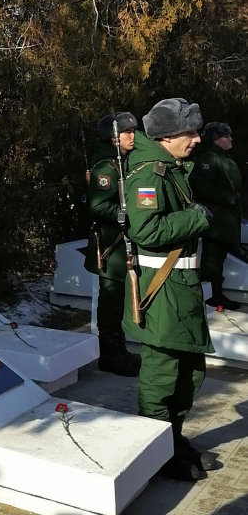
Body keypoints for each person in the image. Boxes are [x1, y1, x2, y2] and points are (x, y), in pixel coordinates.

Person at [122, 98, 219, 482]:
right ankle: (158, 453)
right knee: (162, 377)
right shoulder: (149, 174)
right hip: (162, 293)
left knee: (190, 374)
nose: (197, 139)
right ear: (165, 136)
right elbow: (145, 231)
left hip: (181, 289)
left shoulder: (171, 168)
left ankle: (172, 440)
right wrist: (194, 218)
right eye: (189, 132)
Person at [84, 111, 141, 376]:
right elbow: (98, 207)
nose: (133, 136)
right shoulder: (105, 168)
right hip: (109, 246)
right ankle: (109, 355)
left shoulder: (122, 163)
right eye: (127, 132)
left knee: (118, 302)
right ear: (113, 138)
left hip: (120, 246)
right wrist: (128, 216)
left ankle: (119, 349)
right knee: (110, 302)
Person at [191, 122, 243, 310]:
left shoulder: (224, 157)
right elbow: (203, 188)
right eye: (225, 136)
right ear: (215, 140)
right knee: (212, 260)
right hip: (217, 220)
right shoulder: (209, 160)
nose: (230, 139)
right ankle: (213, 296)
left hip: (226, 218)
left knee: (218, 258)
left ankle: (217, 294)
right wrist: (229, 198)